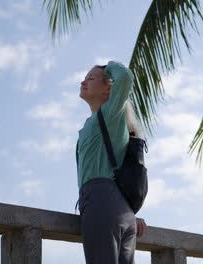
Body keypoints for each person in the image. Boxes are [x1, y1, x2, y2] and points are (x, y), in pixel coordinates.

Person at [76, 61, 147, 264]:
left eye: (91, 78)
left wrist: (106, 67)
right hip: (118, 208)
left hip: (101, 202)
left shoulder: (109, 114)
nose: (83, 81)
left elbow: (124, 76)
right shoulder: (100, 121)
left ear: (108, 88)